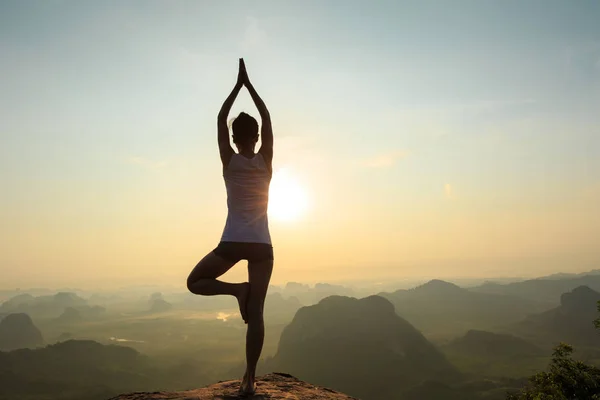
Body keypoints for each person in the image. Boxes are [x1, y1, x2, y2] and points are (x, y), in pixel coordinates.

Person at [186, 58, 274, 396]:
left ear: (235, 138)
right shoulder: (265, 161)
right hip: (262, 247)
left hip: (233, 242)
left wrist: (236, 86)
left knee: (195, 282)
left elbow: (221, 119)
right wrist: (250, 87)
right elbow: (266, 119)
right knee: (258, 312)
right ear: (256, 137)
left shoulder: (229, 160)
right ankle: (250, 379)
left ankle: (236, 289)